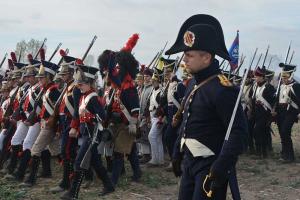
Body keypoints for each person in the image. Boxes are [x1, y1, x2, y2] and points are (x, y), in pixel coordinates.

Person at [167, 14, 248, 199]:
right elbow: (186, 120)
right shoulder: (192, 84)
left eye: (189, 55)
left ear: (206, 58)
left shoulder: (223, 89)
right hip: (189, 162)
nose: (184, 60)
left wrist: (221, 166)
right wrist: (177, 153)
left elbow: (238, 132)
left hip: (209, 166)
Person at [60, 64, 114, 200]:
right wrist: (76, 126)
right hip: (86, 134)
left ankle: (73, 193)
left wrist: (89, 115)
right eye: (79, 84)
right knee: (95, 162)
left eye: (82, 84)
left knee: (80, 162)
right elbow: (79, 116)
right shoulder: (84, 96)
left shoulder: (94, 98)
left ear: (90, 83)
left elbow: (103, 117)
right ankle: (109, 185)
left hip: (93, 135)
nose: (79, 86)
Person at [274, 63, 300, 163]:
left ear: (291, 75)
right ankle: (284, 153)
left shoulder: (296, 86)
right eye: (283, 76)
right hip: (281, 112)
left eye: (286, 76)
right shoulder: (281, 86)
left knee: (285, 131)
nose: (284, 78)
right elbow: (277, 100)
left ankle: (290, 156)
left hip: (291, 112)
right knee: (282, 133)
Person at [252, 67, 275, 159]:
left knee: (258, 131)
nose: (255, 78)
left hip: (265, 112)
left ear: (262, 77)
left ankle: (262, 151)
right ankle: (261, 152)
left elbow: (273, 100)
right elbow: (253, 98)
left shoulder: (269, 87)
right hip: (257, 112)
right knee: (262, 132)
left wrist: (273, 110)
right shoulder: (255, 86)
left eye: (257, 76)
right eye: (255, 76)